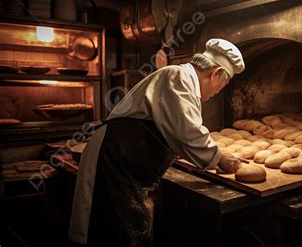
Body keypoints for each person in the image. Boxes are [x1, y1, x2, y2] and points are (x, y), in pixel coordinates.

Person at [69, 38, 245, 246]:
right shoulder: (178, 76)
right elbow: (186, 131)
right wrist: (219, 158)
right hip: (112, 160)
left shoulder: (183, 82)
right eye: (221, 87)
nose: (216, 94)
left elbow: (171, 128)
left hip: (125, 165)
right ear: (215, 73)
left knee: (128, 232)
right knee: (111, 233)